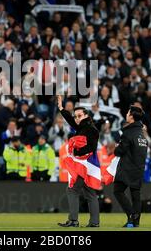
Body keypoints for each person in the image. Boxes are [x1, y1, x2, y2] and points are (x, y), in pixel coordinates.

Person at [56, 95, 100, 228]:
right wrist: (61, 108)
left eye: (79, 115)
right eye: (76, 116)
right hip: (88, 164)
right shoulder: (83, 127)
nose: (76, 118)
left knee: (73, 190)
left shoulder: (91, 129)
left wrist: (76, 152)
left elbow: (91, 147)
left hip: (84, 164)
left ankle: (74, 220)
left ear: (86, 115)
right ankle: (94, 222)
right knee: (90, 193)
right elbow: (70, 121)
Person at [113, 105, 148, 228]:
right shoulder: (142, 134)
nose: (126, 114)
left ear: (132, 117)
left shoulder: (128, 132)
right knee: (135, 195)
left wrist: (116, 147)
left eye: (128, 113)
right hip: (139, 169)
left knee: (117, 191)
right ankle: (136, 222)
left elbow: (119, 151)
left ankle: (131, 215)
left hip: (127, 169)